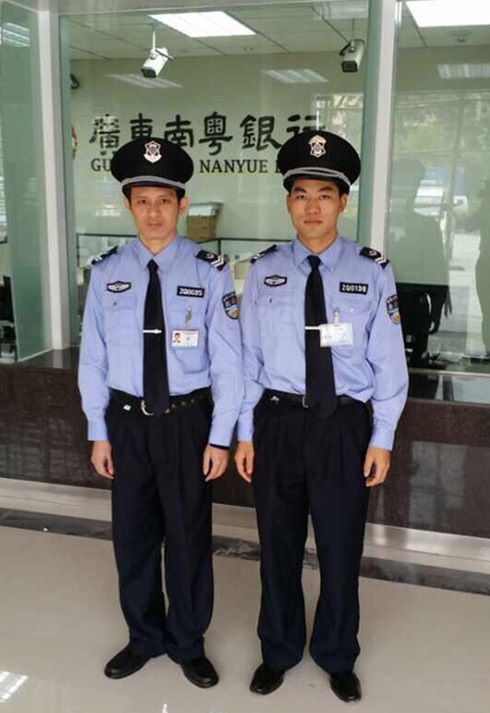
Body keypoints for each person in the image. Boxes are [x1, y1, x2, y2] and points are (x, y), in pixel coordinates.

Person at [235, 130, 408, 703]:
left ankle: (336, 653)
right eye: (301, 194)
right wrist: (245, 433)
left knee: (339, 548)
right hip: (278, 423)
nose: (312, 207)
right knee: (277, 546)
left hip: (344, 427)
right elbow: (248, 360)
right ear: (288, 202)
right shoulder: (263, 270)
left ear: (343, 202)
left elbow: (389, 361)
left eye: (325, 195)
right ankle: (279, 650)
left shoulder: (372, 270)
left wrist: (382, 437)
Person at [78, 137, 243, 687]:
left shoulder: (210, 270)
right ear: (128, 205)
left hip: (187, 423)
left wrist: (220, 436)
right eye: (143, 201)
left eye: (164, 201)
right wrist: (98, 430)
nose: (153, 212)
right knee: (133, 537)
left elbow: (229, 361)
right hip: (126, 422)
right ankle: (143, 636)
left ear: (182, 204)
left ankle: (188, 642)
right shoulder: (106, 271)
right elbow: (93, 358)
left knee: (189, 537)